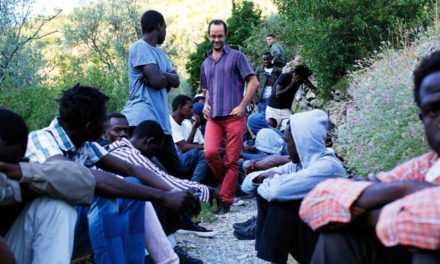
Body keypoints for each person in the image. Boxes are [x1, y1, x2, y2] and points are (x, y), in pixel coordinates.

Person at [26, 84, 200, 264]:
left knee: (133, 185)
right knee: (105, 196)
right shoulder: (42, 140)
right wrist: (162, 196)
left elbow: (131, 169)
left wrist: (172, 192)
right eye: (104, 121)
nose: (106, 127)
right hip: (40, 228)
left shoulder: (84, 144)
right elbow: (89, 179)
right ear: (90, 126)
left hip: (70, 220)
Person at [299, 51, 440, 264]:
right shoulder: (426, 167)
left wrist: (364, 214)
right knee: (339, 238)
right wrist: (405, 189)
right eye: (433, 110)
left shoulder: (326, 163)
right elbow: (317, 200)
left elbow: (431, 217)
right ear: (422, 119)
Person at [241, 109, 346, 263]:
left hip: (335, 245)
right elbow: (247, 185)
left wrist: (269, 181)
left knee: (281, 202)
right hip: (317, 237)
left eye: (287, 141)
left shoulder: (327, 166)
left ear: (302, 141)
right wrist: (262, 178)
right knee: (273, 193)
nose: (286, 146)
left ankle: (275, 258)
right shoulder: (300, 165)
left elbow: (276, 191)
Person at [0, 108, 95, 264]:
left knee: (56, 206)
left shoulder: (18, 171)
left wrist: (20, 172)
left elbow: (84, 183)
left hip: (11, 245)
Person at [201, 19, 259, 214]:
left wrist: (243, 105)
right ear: (209, 36)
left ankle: (225, 201)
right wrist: (206, 103)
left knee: (232, 161)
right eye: (213, 36)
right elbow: (207, 88)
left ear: (225, 36)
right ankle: (226, 180)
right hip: (214, 119)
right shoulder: (206, 63)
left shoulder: (237, 57)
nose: (216, 39)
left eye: (220, 35)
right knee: (209, 152)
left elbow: (253, 82)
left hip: (234, 117)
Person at [122, 10, 183, 177]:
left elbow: (176, 80)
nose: (165, 31)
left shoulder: (160, 53)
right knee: (148, 170)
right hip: (142, 117)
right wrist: (162, 77)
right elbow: (157, 83)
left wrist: (159, 74)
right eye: (165, 27)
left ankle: (181, 200)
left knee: (174, 171)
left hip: (160, 121)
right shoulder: (140, 47)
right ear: (158, 26)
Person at [266, 56, 317, 130]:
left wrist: (317, 91)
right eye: (298, 75)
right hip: (273, 108)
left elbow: (310, 86)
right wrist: (292, 84)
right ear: (294, 72)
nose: (299, 77)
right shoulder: (285, 76)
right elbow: (278, 94)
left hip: (285, 109)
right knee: (272, 129)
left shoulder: (301, 78)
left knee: (290, 129)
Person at [170, 95, 209, 183]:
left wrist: (194, 129)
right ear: (180, 107)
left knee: (209, 154)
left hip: (182, 158)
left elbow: (186, 149)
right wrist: (208, 147)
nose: (192, 111)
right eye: (190, 107)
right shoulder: (169, 122)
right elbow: (184, 147)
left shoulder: (185, 123)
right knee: (204, 153)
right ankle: (195, 186)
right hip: (173, 162)